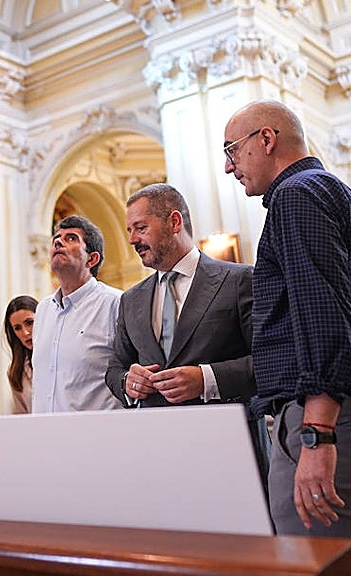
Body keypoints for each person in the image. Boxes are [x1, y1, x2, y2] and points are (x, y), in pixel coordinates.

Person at [223, 99, 351, 576]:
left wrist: (317, 434)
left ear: (266, 140)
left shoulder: (297, 196)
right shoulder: (339, 194)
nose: (229, 166)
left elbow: (323, 315)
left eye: (232, 150)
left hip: (342, 427)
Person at [105, 184, 266, 474]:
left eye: (140, 227)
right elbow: (115, 366)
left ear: (174, 222)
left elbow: (270, 361)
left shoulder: (238, 280)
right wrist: (128, 381)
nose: (131, 240)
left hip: (228, 449)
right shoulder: (131, 299)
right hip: (156, 452)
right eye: (129, 230)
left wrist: (206, 379)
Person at [32, 215, 123, 413]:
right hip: (46, 434)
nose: (58, 241)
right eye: (56, 237)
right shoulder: (43, 309)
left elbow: (130, 375)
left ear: (92, 258)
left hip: (95, 435)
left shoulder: (115, 303)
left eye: (71, 238)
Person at [3, 295, 37, 414]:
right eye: (17, 328)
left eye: (29, 323)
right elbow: (21, 415)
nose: (25, 332)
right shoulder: (16, 372)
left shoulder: (61, 359)